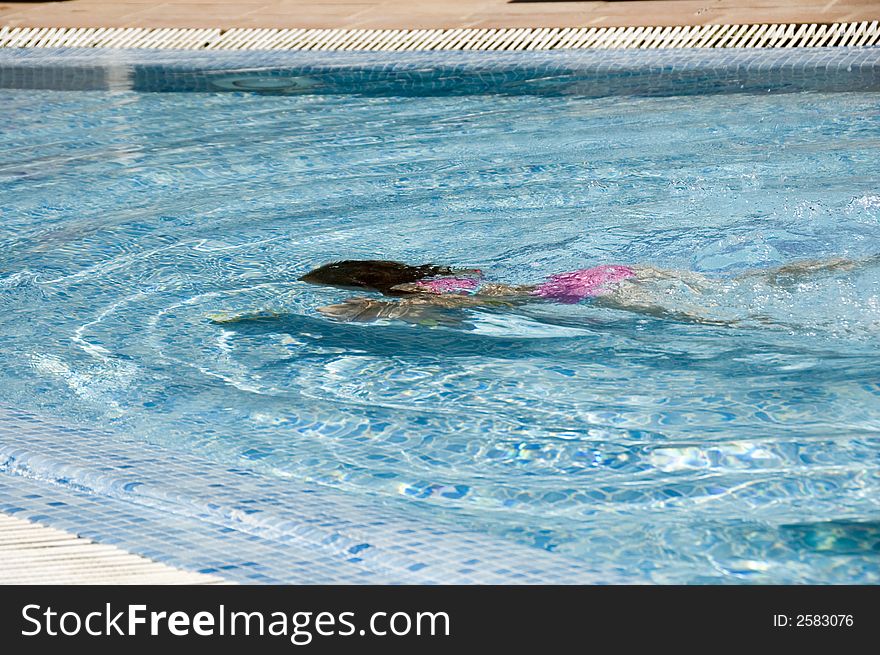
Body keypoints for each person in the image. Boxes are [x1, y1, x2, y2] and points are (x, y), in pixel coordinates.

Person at [293, 255, 874, 326]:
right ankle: (843, 264)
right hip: (594, 273)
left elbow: (439, 316)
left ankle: (807, 327)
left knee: (712, 321)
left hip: (573, 296)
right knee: (740, 283)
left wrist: (358, 313)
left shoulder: (424, 295)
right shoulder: (449, 276)